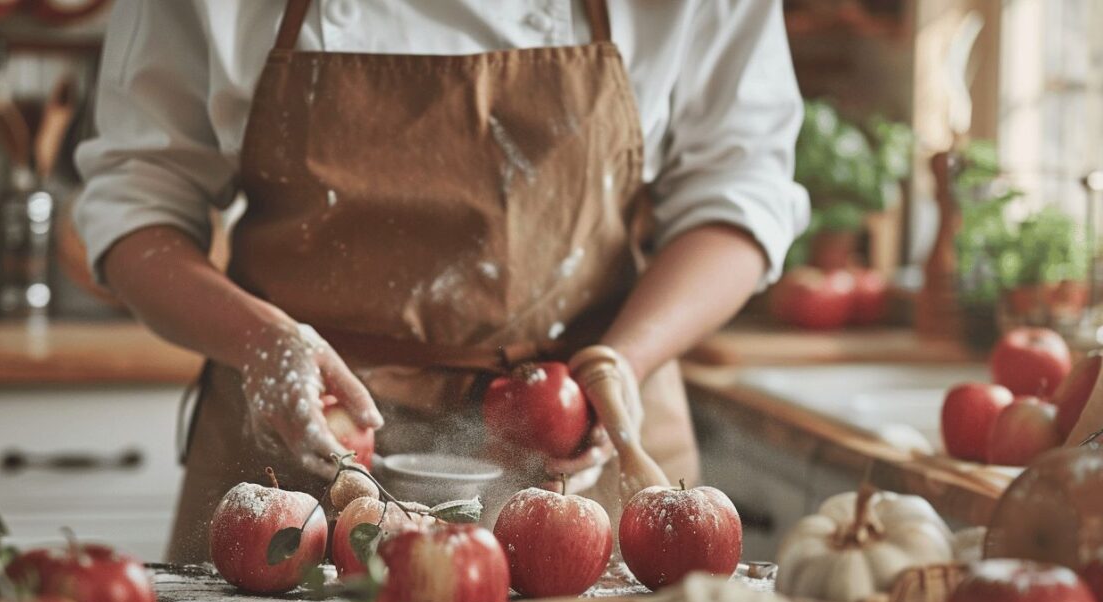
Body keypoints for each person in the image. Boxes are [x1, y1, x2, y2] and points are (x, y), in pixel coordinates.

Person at [76, 0, 810, 563]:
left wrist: (624, 359)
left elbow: (740, 189)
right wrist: (258, 339)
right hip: (292, 468)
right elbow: (137, 198)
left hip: (593, 458)